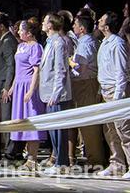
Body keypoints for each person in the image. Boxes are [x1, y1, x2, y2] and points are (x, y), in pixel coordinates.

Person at [97, 11, 130, 179]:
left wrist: (117, 97)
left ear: (107, 26)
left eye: (102, 20)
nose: (98, 21)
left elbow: (121, 71)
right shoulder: (104, 42)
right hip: (106, 90)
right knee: (111, 131)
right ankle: (117, 164)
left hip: (118, 92)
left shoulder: (117, 43)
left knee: (125, 130)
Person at [6, 19, 46, 170]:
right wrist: (12, 87)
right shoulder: (20, 46)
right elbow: (18, 69)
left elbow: (36, 70)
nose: (18, 32)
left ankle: (32, 159)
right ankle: (27, 156)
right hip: (19, 86)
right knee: (21, 121)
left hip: (28, 85)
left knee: (31, 121)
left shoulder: (36, 47)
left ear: (29, 33)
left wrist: (31, 90)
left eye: (21, 30)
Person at [68, 13, 105, 168]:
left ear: (82, 28)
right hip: (86, 82)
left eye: (75, 24)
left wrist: (70, 65)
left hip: (86, 83)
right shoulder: (89, 41)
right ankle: (93, 158)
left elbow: (81, 69)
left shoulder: (85, 43)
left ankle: (95, 161)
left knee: (89, 125)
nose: (73, 27)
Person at [39, 13, 73, 171]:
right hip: (48, 93)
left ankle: (61, 162)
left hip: (57, 95)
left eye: (45, 21)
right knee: (53, 129)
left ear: (50, 25)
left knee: (59, 130)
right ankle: (58, 160)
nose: (42, 23)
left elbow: (61, 70)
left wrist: (56, 93)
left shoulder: (58, 42)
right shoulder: (50, 42)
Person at [0, 12, 19, 160]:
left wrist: (7, 87)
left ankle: (10, 151)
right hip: (0, 85)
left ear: (1, 26)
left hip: (5, 87)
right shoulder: (3, 40)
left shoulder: (8, 41)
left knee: (8, 118)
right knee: (4, 117)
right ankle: (8, 148)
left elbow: (11, 66)